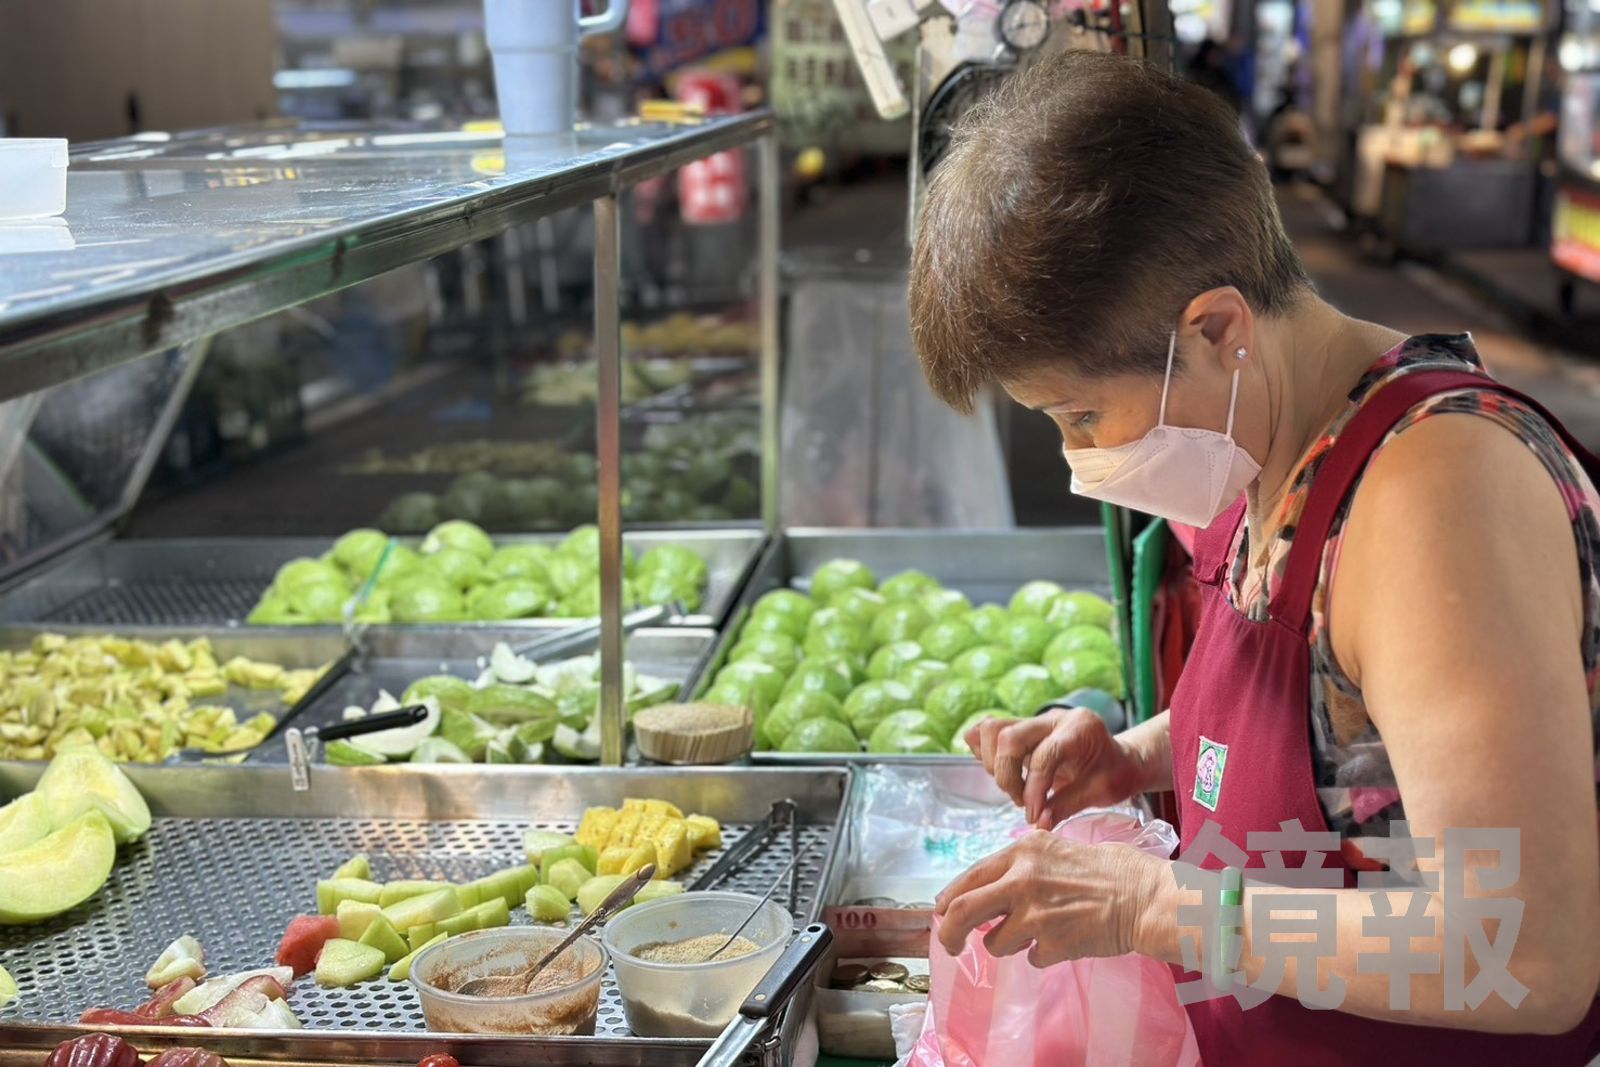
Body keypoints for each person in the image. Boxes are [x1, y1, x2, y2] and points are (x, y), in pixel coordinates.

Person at [908, 50, 1600, 1063]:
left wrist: (1157, 903)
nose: (1078, 457)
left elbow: (1527, 952)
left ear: (1219, 326)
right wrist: (1136, 752)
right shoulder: (1272, 441)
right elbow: (1352, 730)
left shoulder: (1432, 497)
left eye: (1080, 413)